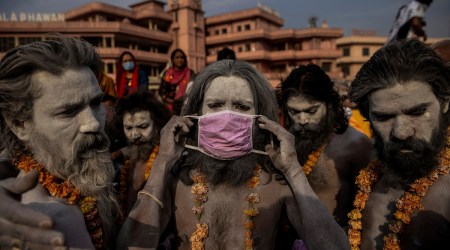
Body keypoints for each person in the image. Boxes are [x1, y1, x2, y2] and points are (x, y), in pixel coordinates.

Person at [118, 60, 349, 249]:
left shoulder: (277, 183)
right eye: (216, 105)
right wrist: (162, 162)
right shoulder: (175, 178)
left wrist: (293, 170)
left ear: (262, 118)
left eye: (241, 107)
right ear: (196, 113)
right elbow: (131, 246)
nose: (227, 117)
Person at [0, 36, 120, 249]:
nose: (92, 123)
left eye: (95, 103)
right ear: (20, 125)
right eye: (69, 111)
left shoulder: (82, 178)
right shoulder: (49, 221)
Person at [347, 39, 450, 249]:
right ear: (368, 117)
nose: (401, 132)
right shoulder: (371, 177)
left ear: (445, 102)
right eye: (384, 118)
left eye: (417, 112)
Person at [276, 64, 372, 227]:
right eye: (294, 111)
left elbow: (367, 211)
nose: (302, 120)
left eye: (311, 111)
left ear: (329, 105)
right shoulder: (283, 142)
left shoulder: (355, 145)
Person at [114, 91, 171, 216]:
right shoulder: (125, 164)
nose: (134, 135)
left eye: (143, 126)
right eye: (128, 128)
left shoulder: (168, 162)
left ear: (157, 125)